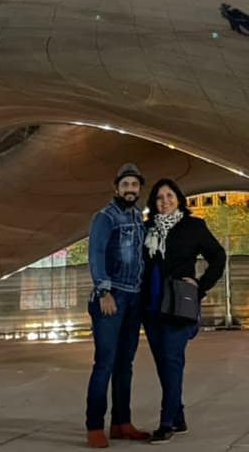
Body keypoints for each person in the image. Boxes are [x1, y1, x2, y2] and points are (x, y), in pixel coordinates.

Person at [142, 179, 226, 444]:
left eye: (169, 196)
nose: (165, 201)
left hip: (178, 305)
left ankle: (166, 422)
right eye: (159, 197)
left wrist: (200, 285)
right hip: (151, 306)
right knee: (163, 364)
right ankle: (178, 417)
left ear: (179, 199)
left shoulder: (193, 226)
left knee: (171, 360)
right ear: (153, 203)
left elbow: (218, 256)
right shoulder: (146, 230)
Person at [85, 164, 149, 448]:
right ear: (117, 188)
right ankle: (94, 426)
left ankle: (122, 423)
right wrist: (104, 291)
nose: (130, 190)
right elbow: (96, 253)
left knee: (125, 364)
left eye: (134, 185)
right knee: (105, 363)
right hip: (112, 297)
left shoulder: (137, 216)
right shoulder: (105, 217)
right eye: (125, 185)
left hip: (133, 298)